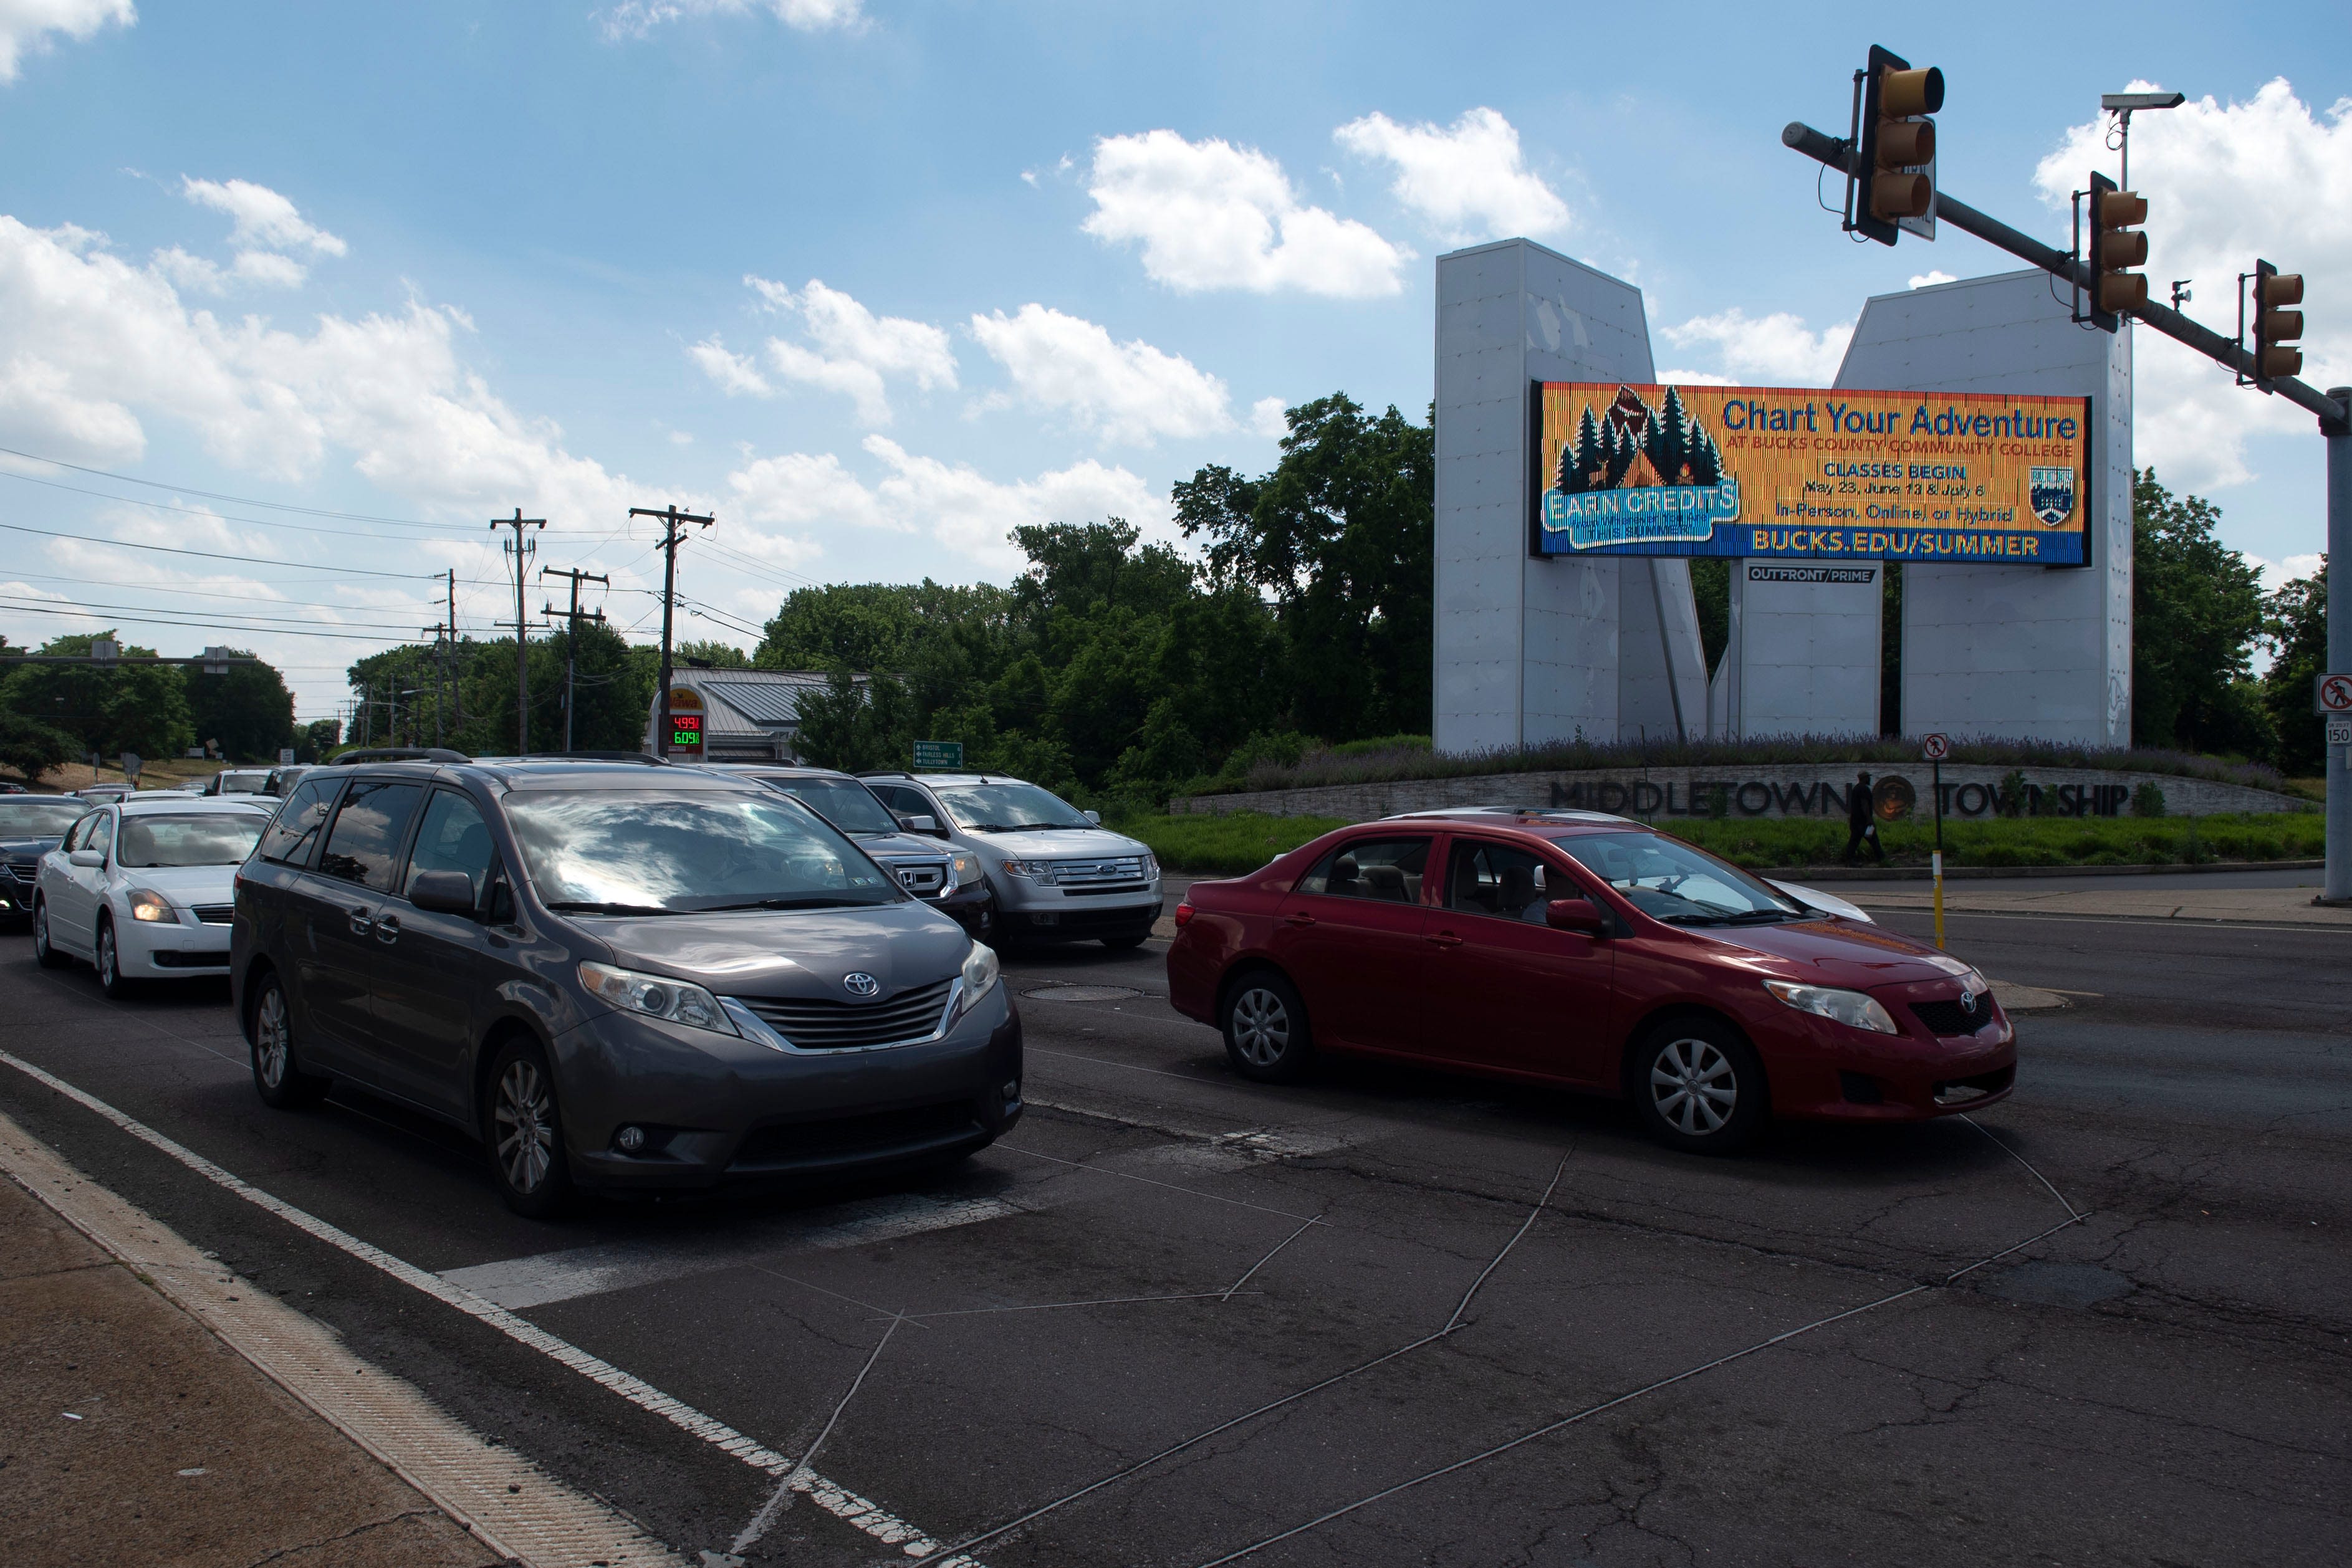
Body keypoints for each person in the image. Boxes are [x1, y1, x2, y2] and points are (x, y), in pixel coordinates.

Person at [1844, 771, 1884, 864]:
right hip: (1863, 822)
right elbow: (1864, 805)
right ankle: (1882, 859)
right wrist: (1869, 820)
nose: (1869, 779)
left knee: (1854, 841)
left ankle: (1850, 860)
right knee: (1874, 840)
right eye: (1868, 777)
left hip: (1855, 821)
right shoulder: (1864, 789)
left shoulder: (1857, 789)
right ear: (1864, 778)